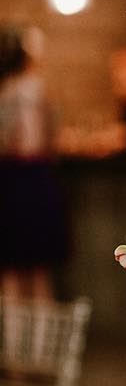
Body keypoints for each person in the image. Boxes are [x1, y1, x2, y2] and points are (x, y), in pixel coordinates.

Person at [0, 24, 67, 299]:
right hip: (28, 176)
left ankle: (17, 328)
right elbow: (48, 138)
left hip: (15, 176)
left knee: (16, 267)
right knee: (33, 267)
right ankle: (36, 327)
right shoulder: (34, 89)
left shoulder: (9, 90)